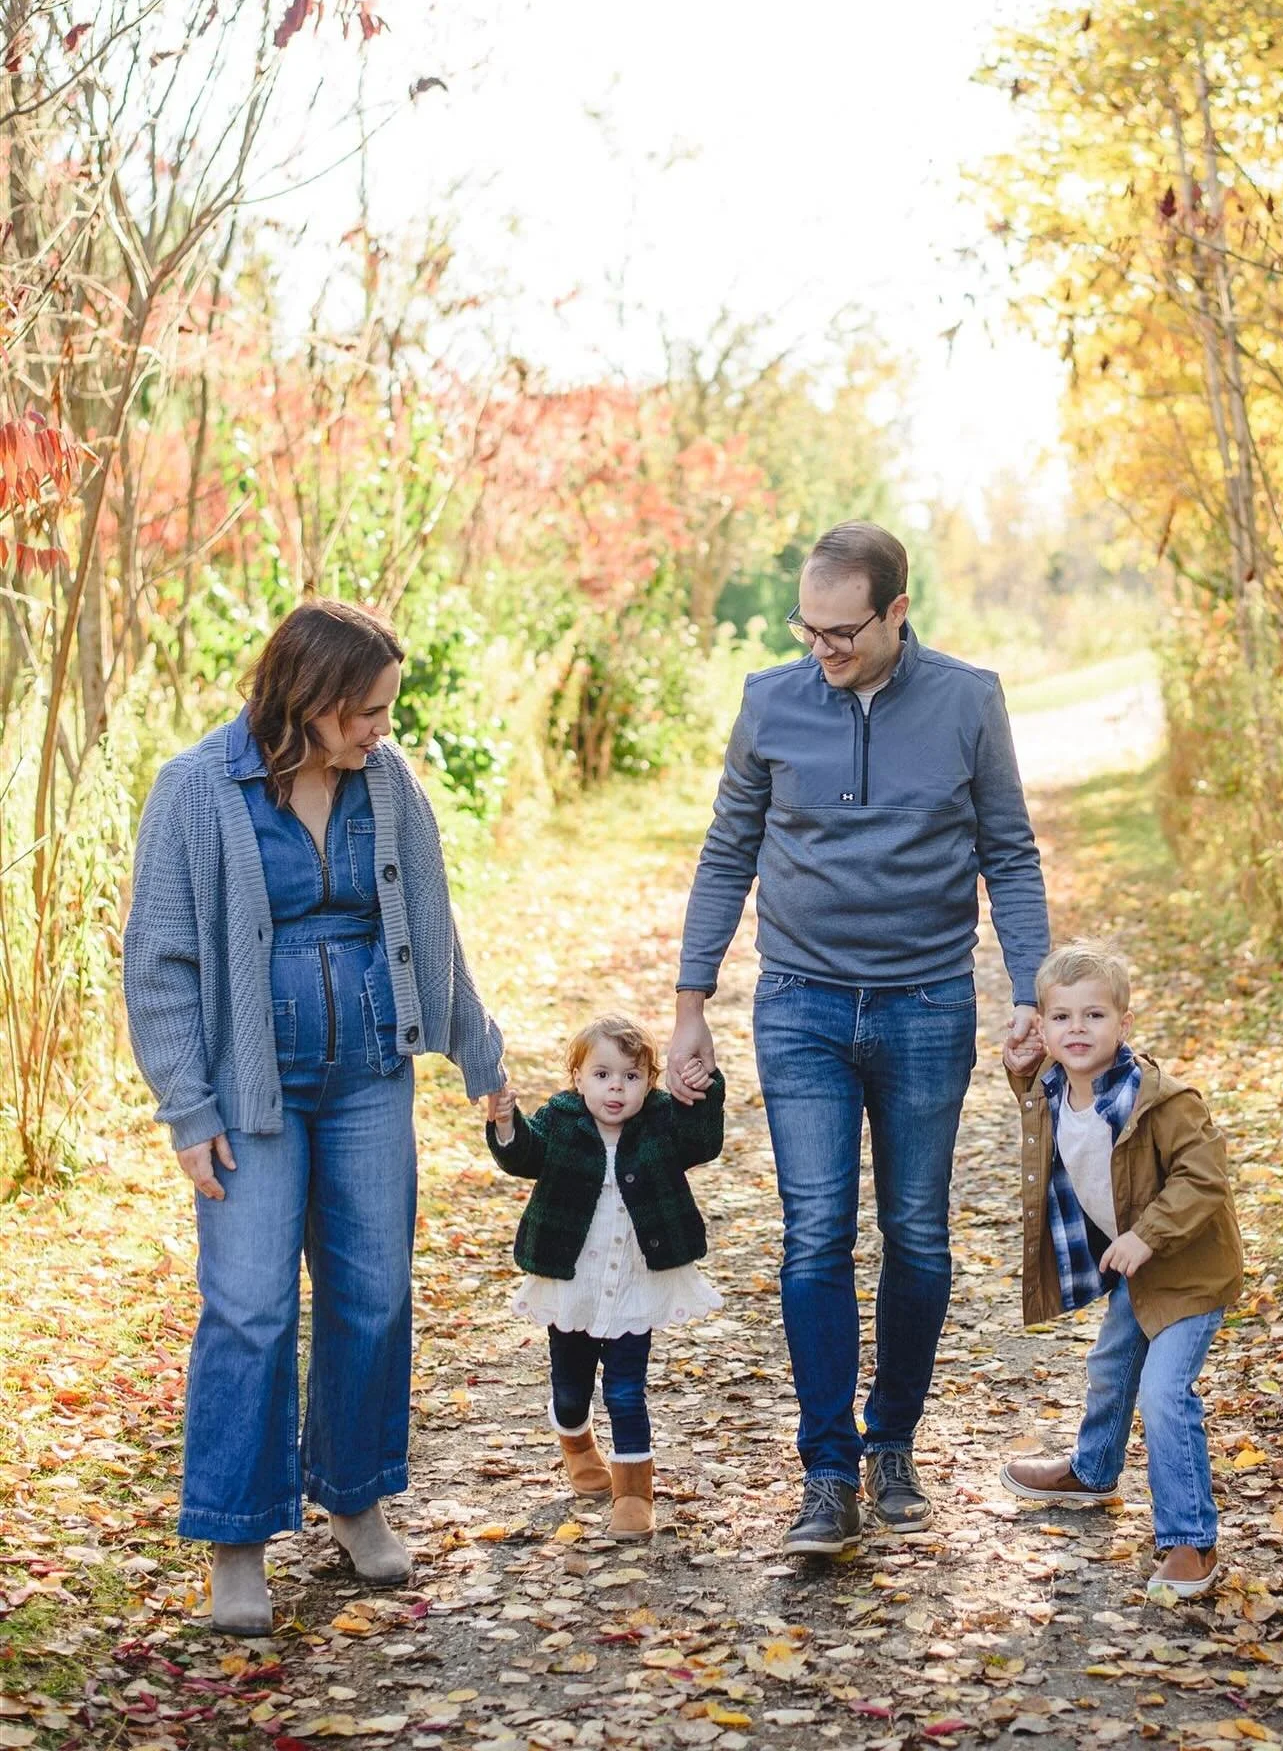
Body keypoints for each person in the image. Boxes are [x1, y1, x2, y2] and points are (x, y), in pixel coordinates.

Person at [123, 598, 508, 1637]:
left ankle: (353, 1496)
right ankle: (237, 1539)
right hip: (250, 1091)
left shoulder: (387, 783)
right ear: (315, 698)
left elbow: (432, 923)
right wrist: (185, 1107)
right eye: (369, 711)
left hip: (369, 1075)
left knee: (372, 1293)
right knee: (249, 1306)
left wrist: (479, 1050)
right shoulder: (197, 788)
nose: (382, 729)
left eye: (386, 711)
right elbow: (157, 966)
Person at [668, 520, 1050, 1554]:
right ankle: (827, 1472)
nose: (823, 648)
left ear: (896, 611)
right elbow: (726, 850)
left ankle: (894, 1444)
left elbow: (1009, 853)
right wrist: (690, 1004)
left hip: (926, 1004)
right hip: (799, 1004)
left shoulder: (968, 701)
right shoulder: (770, 701)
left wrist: (1032, 990)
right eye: (810, 627)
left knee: (917, 1236)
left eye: (844, 631)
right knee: (815, 1235)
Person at [999, 941, 1243, 1597]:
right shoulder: (1055, 1088)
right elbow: (1046, 1114)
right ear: (1043, 1028)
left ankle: (1191, 1541)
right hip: (1137, 1273)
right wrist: (1020, 1074)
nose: (1077, 1030)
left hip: (1189, 1272)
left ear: (1125, 1024)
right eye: (1061, 1018)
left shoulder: (1161, 1101)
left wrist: (1148, 1234)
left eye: (1095, 1016)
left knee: (1164, 1394)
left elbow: (1206, 1174)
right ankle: (1093, 1469)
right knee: (1110, 1367)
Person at [486, 1014, 725, 1540]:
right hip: (573, 1280)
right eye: (602, 1075)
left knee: (624, 1389)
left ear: (651, 1082)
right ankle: (575, 1441)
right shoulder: (560, 1119)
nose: (616, 1087)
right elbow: (525, 1157)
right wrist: (506, 1124)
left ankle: (635, 1491)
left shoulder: (661, 1120)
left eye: (632, 1076)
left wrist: (704, 1086)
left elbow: (702, 1142)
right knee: (571, 1389)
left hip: (634, 1281)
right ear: (578, 1078)